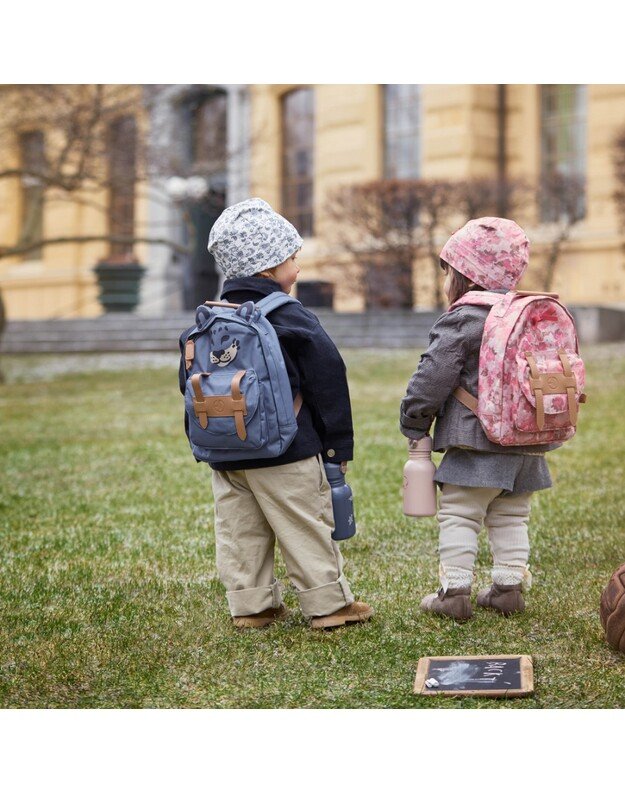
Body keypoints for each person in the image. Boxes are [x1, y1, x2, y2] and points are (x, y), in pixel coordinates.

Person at [183, 197, 372, 630]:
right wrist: (336, 443)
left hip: (226, 453)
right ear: (267, 268)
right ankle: (328, 605)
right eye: (292, 256)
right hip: (289, 450)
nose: (298, 266)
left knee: (238, 533)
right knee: (304, 524)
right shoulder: (289, 315)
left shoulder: (209, 320)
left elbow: (188, 385)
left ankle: (251, 607)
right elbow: (328, 378)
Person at [399, 217, 559, 620]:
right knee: (510, 514)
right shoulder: (527, 314)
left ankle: (454, 593)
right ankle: (508, 589)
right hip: (527, 442)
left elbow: (433, 375)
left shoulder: (464, 318)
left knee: (460, 513)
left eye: (448, 271)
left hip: (477, 440)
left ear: (465, 277)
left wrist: (414, 419)